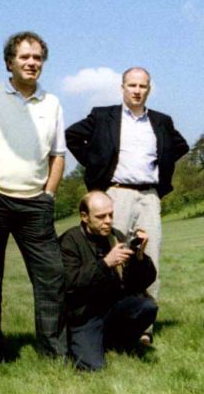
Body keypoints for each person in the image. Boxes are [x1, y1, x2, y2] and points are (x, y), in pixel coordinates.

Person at [0, 31, 68, 361]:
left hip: (35, 203)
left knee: (51, 277)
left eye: (37, 58)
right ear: (10, 62)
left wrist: (48, 195)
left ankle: (54, 351)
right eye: (24, 57)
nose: (31, 63)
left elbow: (58, 155)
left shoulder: (52, 103)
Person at [64, 67, 190, 314]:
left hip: (149, 196)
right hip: (116, 194)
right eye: (132, 85)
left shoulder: (161, 121)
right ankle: (109, 318)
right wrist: (97, 163)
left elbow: (181, 146)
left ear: (149, 89)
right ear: (122, 87)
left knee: (148, 255)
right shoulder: (103, 116)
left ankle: (145, 325)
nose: (137, 91)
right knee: (115, 253)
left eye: (142, 86)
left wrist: (161, 170)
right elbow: (72, 136)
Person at [59, 191, 158, 372]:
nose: (108, 221)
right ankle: (93, 343)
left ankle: (120, 343)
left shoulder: (115, 236)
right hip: (85, 316)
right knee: (94, 367)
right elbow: (70, 284)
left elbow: (141, 282)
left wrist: (140, 257)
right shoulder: (70, 241)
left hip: (112, 309)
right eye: (101, 216)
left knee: (147, 307)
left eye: (111, 215)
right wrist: (105, 264)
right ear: (84, 217)